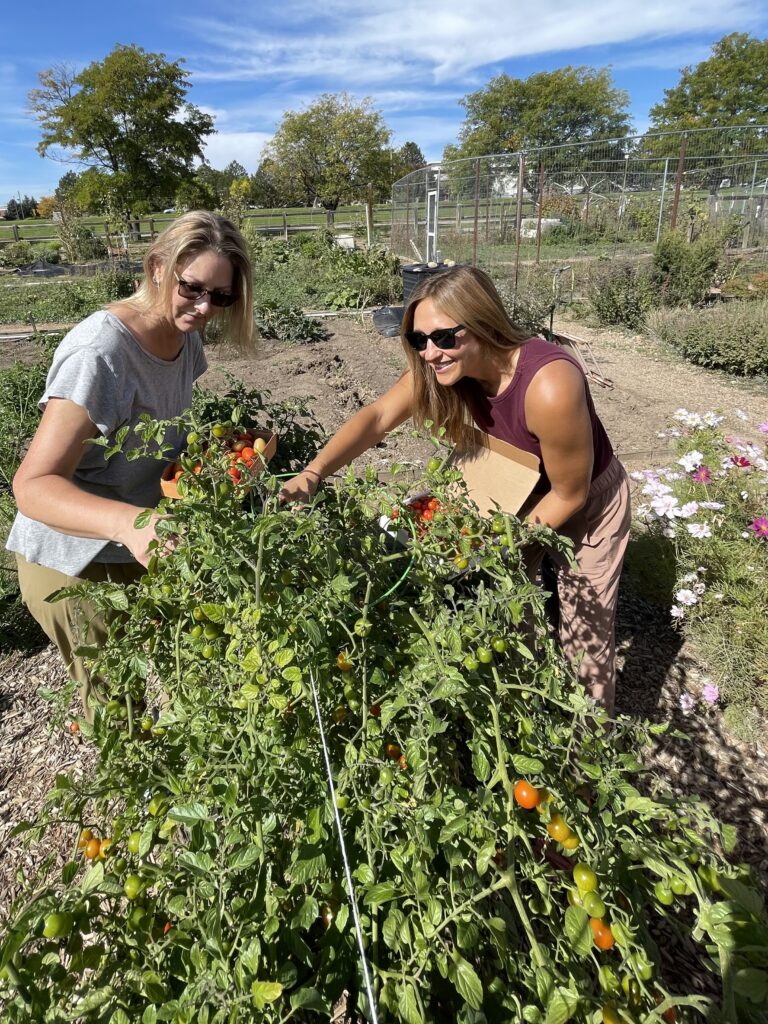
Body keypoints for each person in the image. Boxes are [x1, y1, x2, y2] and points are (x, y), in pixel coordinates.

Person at [280, 266, 630, 712]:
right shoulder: (441, 368)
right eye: (417, 340)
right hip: (512, 493)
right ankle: (530, 716)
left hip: (585, 502)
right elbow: (377, 418)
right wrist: (314, 471)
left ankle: (588, 757)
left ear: (483, 323)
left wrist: (492, 545)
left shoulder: (549, 385)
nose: (430, 352)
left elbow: (569, 495)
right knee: (507, 613)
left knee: (586, 637)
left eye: (444, 337)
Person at [7, 211, 254, 719]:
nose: (206, 307)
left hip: (138, 541)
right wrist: (134, 522)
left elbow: (156, 435)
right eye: (193, 288)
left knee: (167, 667)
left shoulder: (185, 335)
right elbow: (31, 486)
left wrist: (216, 463)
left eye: (222, 296)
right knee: (117, 707)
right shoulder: (101, 352)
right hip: (72, 561)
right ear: (157, 267)